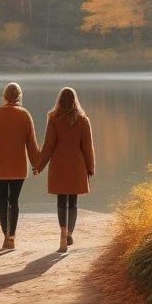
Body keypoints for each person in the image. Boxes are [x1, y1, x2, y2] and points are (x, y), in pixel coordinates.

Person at [36, 87, 95, 253]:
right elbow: (87, 147)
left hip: (59, 164)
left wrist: (40, 165)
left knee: (61, 201)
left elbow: (48, 145)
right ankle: (69, 233)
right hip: (77, 164)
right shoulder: (83, 120)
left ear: (60, 100)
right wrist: (90, 166)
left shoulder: (54, 119)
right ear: (75, 100)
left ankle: (62, 230)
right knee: (73, 202)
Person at [0, 82, 40, 250]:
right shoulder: (25, 115)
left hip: (0, 167)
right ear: (19, 96)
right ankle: (11, 236)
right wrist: (36, 164)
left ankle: (5, 234)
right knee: (13, 201)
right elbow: (31, 143)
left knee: (2, 200)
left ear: (4, 96)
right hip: (19, 166)